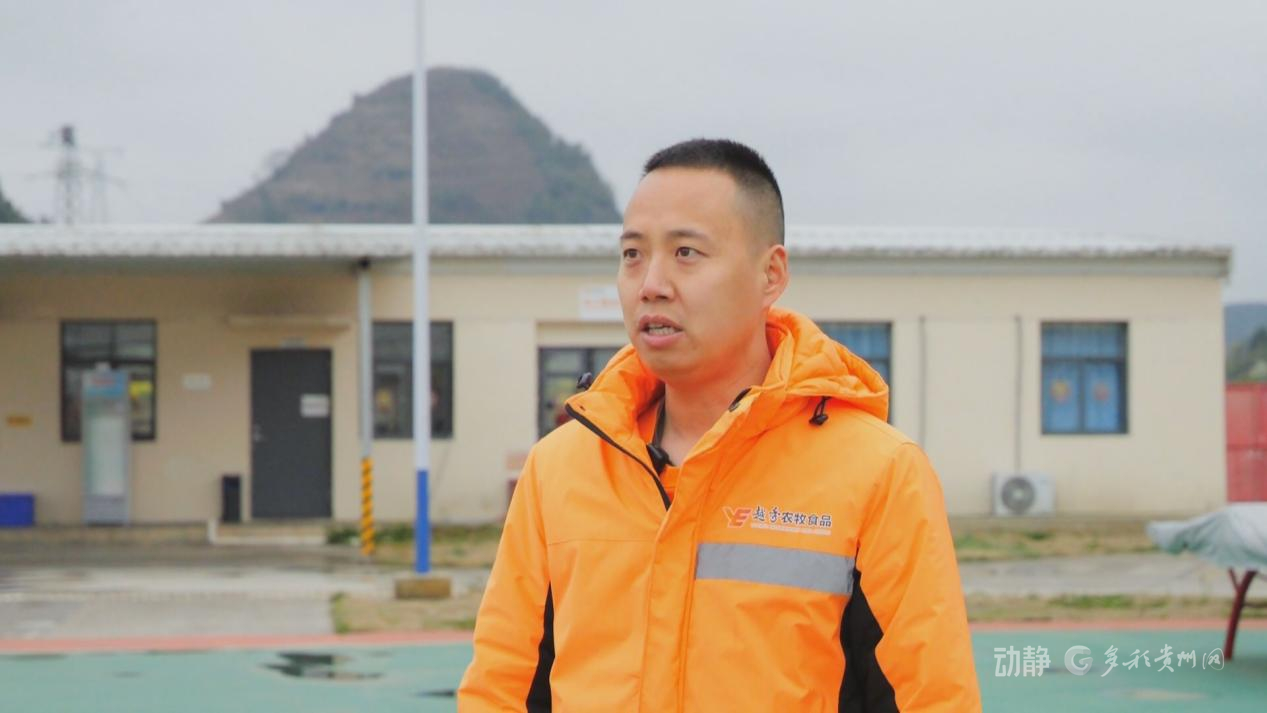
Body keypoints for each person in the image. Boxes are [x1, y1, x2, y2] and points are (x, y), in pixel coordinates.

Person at [458, 139, 981, 711]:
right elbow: (500, 689)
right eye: (632, 254)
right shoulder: (559, 467)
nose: (651, 283)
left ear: (770, 274)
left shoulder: (878, 472)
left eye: (686, 252)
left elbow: (933, 696)